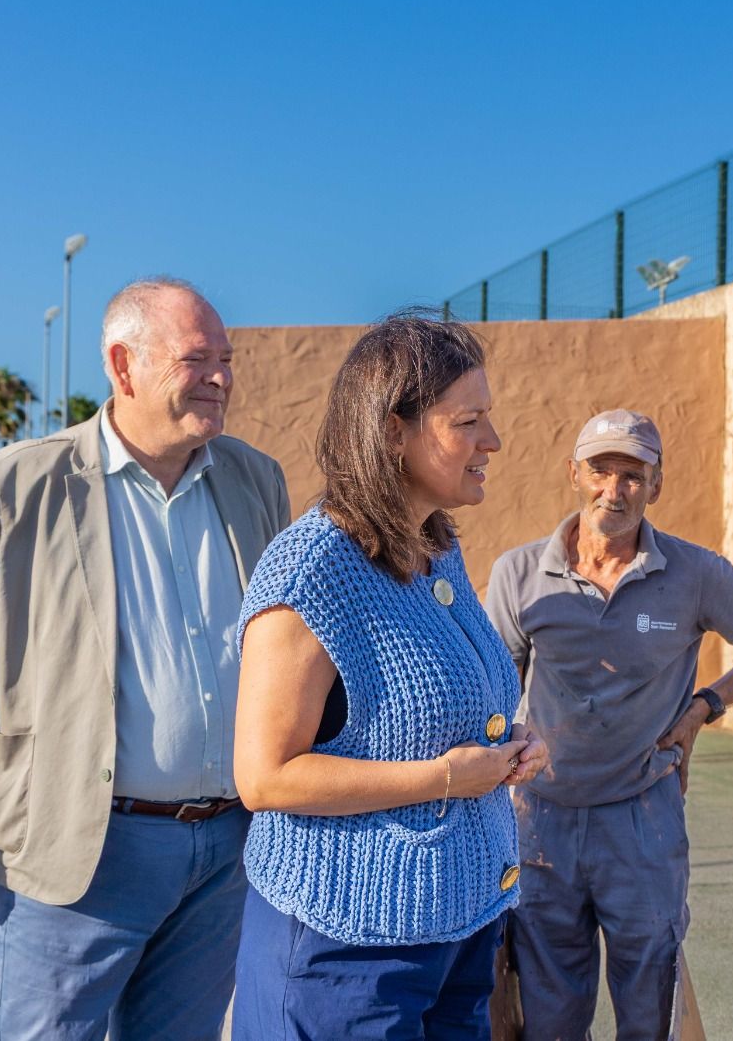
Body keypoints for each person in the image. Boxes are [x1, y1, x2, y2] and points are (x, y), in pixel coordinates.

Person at [0, 277, 291, 1040]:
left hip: (226, 852)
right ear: (123, 364)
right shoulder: (18, 484)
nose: (221, 377)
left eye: (228, 359)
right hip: (79, 850)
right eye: (197, 358)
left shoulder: (255, 479)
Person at [232, 310, 549, 1039]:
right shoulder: (311, 569)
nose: (492, 442)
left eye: (488, 419)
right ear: (392, 432)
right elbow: (266, 777)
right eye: (467, 421)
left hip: (458, 936)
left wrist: (513, 746)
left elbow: (439, 713)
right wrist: (444, 777)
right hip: (345, 954)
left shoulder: (438, 550)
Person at [485, 409, 733, 1040]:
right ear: (574, 474)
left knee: (650, 1005)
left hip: (643, 818)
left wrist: (703, 707)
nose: (615, 489)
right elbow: (491, 694)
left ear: (656, 485)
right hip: (540, 819)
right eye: (601, 470)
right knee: (548, 1012)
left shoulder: (696, 573)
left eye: (633, 475)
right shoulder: (517, 574)